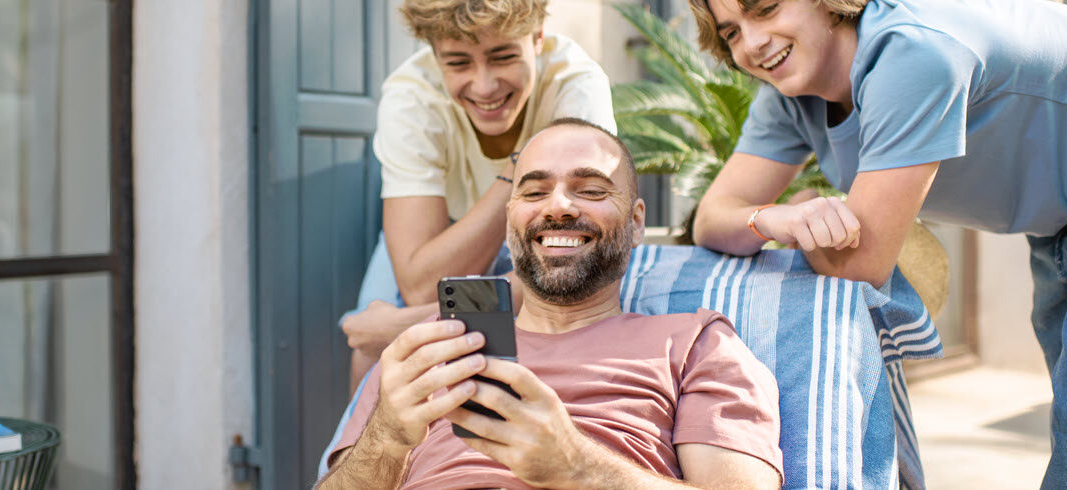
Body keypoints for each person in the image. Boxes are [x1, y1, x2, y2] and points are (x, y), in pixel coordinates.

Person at [685, 0, 1067, 486]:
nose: (751, 44)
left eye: (765, 9)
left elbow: (860, 268)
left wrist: (803, 225)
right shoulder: (792, 96)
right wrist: (776, 217)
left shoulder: (913, 52)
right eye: (730, 32)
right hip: (1061, 214)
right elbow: (711, 217)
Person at [317, 118, 783, 489]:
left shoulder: (696, 345)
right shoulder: (430, 348)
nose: (557, 206)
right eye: (534, 191)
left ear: (637, 222)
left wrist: (577, 467)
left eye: (592, 190)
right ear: (509, 222)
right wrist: (389, 436)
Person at [343, 0, 617, 389]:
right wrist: (522, 164)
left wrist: (404, 326)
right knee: (371, 352)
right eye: (457, 63)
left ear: (538, 38)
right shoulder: (412, 97)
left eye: (502, 56)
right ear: (435, 56)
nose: (484, 86)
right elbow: (421, 285)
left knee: (383, 333)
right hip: (444, 230)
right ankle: (365, 452)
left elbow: (574, 261)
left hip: (547, 232)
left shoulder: (576, 87)